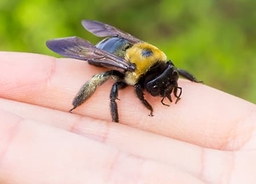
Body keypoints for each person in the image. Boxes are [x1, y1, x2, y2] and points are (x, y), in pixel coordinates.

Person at [0, 52, 255, 183]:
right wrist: (145, 105)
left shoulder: (159, 61)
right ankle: (78, 103)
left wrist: (190, 82)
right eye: (157, 87)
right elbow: (125, 88)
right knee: (105, 81)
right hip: (113, 53)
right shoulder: (130, 72)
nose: (166, 87)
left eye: (170, 78)